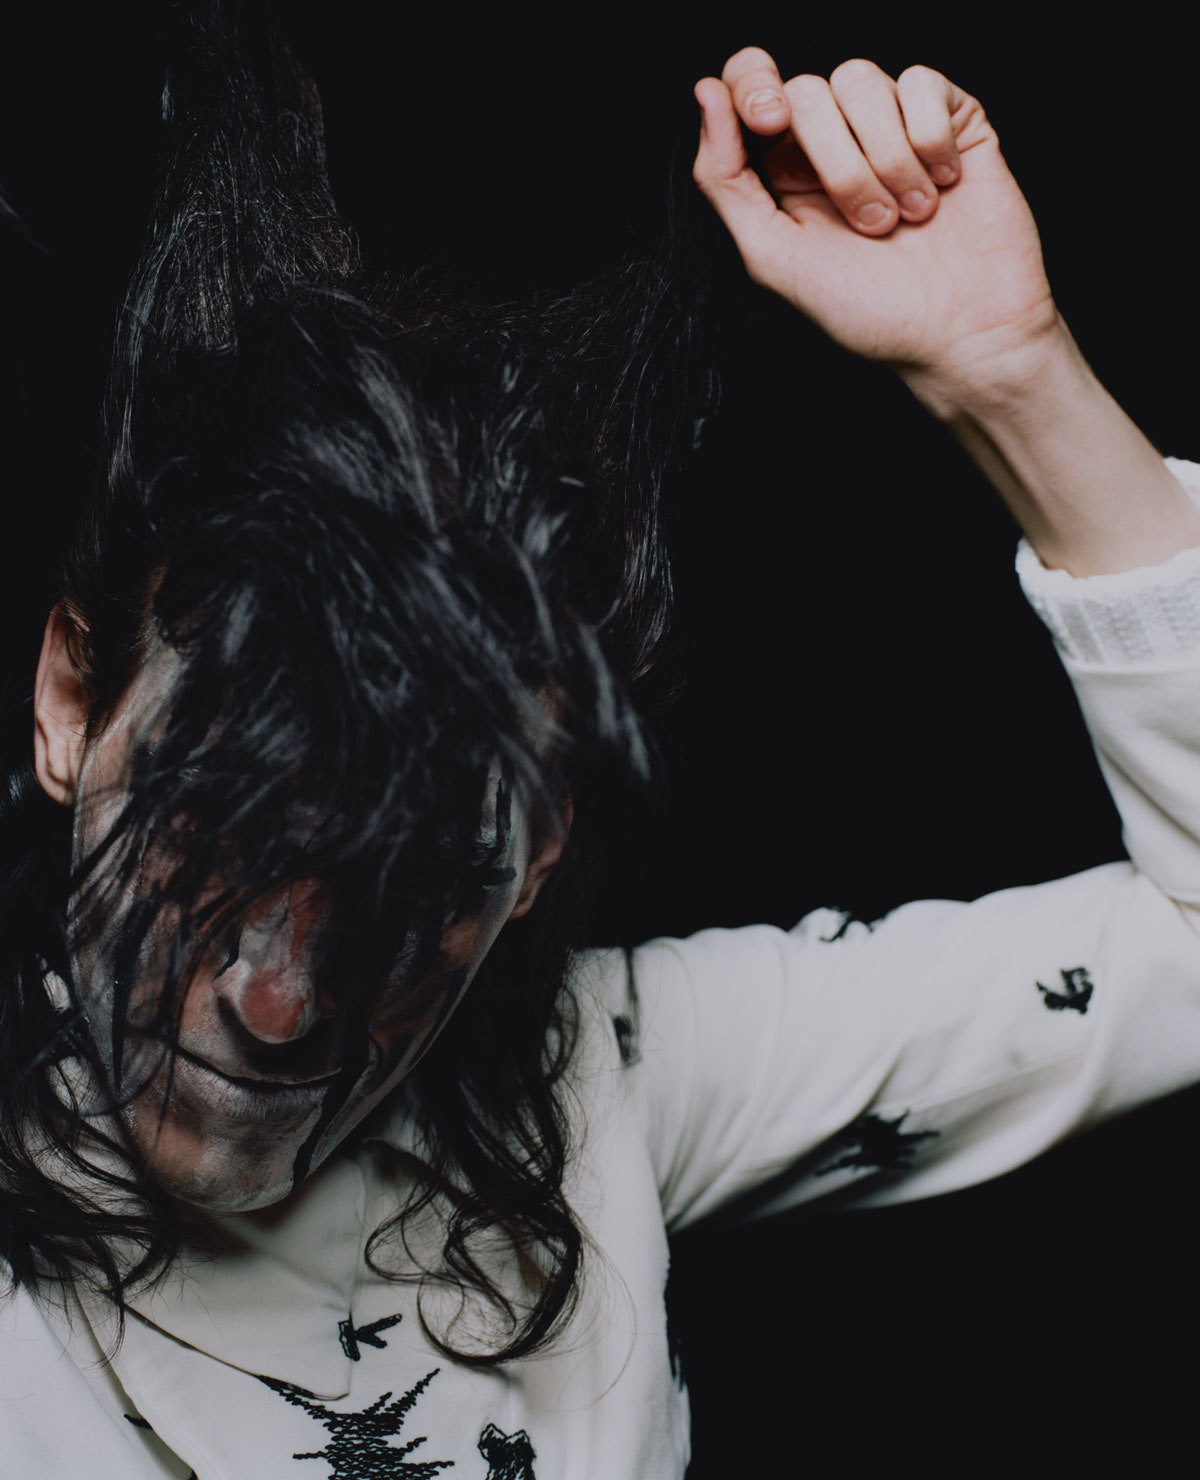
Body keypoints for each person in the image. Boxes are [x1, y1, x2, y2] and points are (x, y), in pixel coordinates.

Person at [3, 10, 1200, 1476]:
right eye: (214, 824)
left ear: (536, 857)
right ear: (70, 700)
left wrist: (1011, 376)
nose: (281, 1002)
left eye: (413, 884)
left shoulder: (589, 1089)